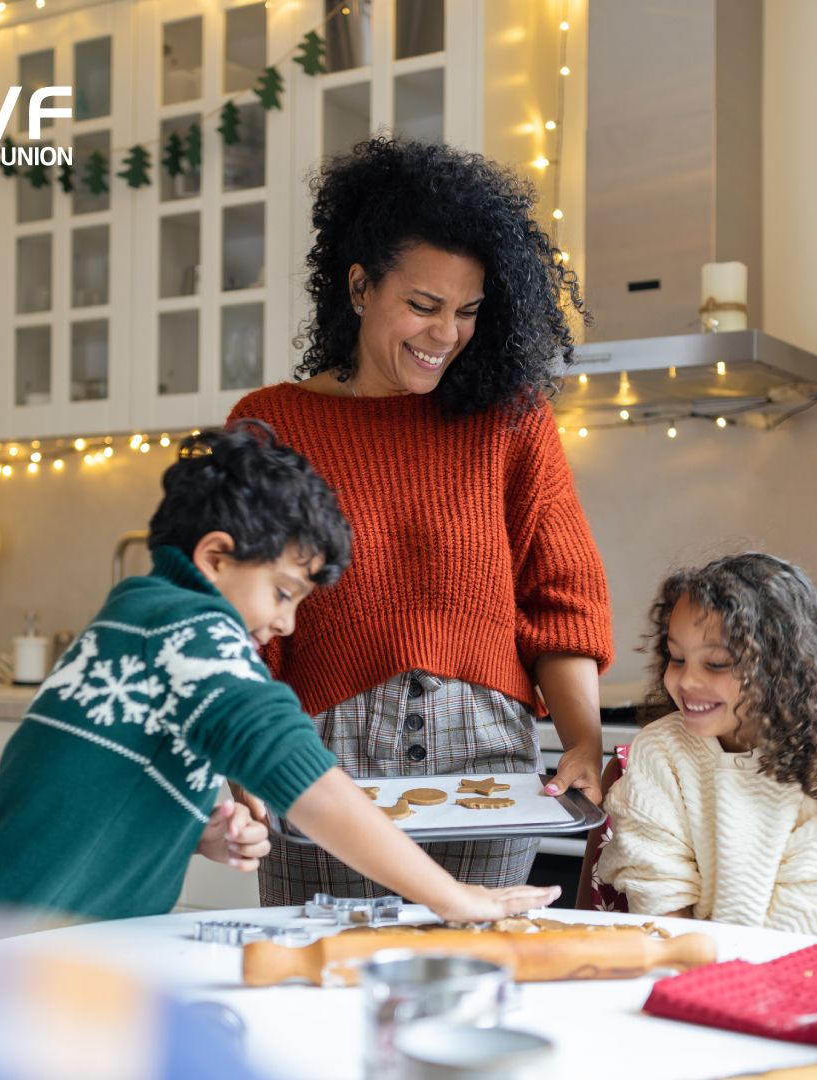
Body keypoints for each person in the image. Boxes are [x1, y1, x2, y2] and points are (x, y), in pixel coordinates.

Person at [0, 422, 559, 927]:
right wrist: (453, 897)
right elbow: (309, 780)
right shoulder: (194, 633)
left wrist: (189, 830)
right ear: (215, 558)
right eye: (283, 593)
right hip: (15, 959)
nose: (286, 624)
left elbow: (91, 790)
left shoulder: (135, 614)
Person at [228, 136, 614, 905]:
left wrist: (583, 740)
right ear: (360, 286)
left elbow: (559, 595)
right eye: (424, 305)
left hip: (488, 766)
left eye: (468, 311)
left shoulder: (509, 419)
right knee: (324, 994)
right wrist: (244, 757)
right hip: (320, 761)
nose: (447, 335)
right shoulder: (270, 423)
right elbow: (241, 621)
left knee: (469, 986)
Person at [597, 553, 817, 936]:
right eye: (677, 657)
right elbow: (654, 883)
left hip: (801, 964)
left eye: (716, 663)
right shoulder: (661, 751)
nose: (686, 681)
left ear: (782, 669)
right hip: (693, 965)